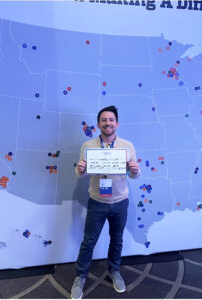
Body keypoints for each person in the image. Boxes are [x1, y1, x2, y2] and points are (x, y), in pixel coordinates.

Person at [71, 105, 140, 299]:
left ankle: (114, 271)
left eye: (111, 120)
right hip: (97, 201)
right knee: (88, 241)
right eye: (104, 120)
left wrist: (135, 170)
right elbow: (79, 173)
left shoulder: (127, 146)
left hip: (120, 202)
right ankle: (80, 276)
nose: (107, 123)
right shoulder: (88, 146)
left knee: (116, 239)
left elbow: (135, 175)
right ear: (98, 124)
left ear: (117, 123)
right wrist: (81, 168)